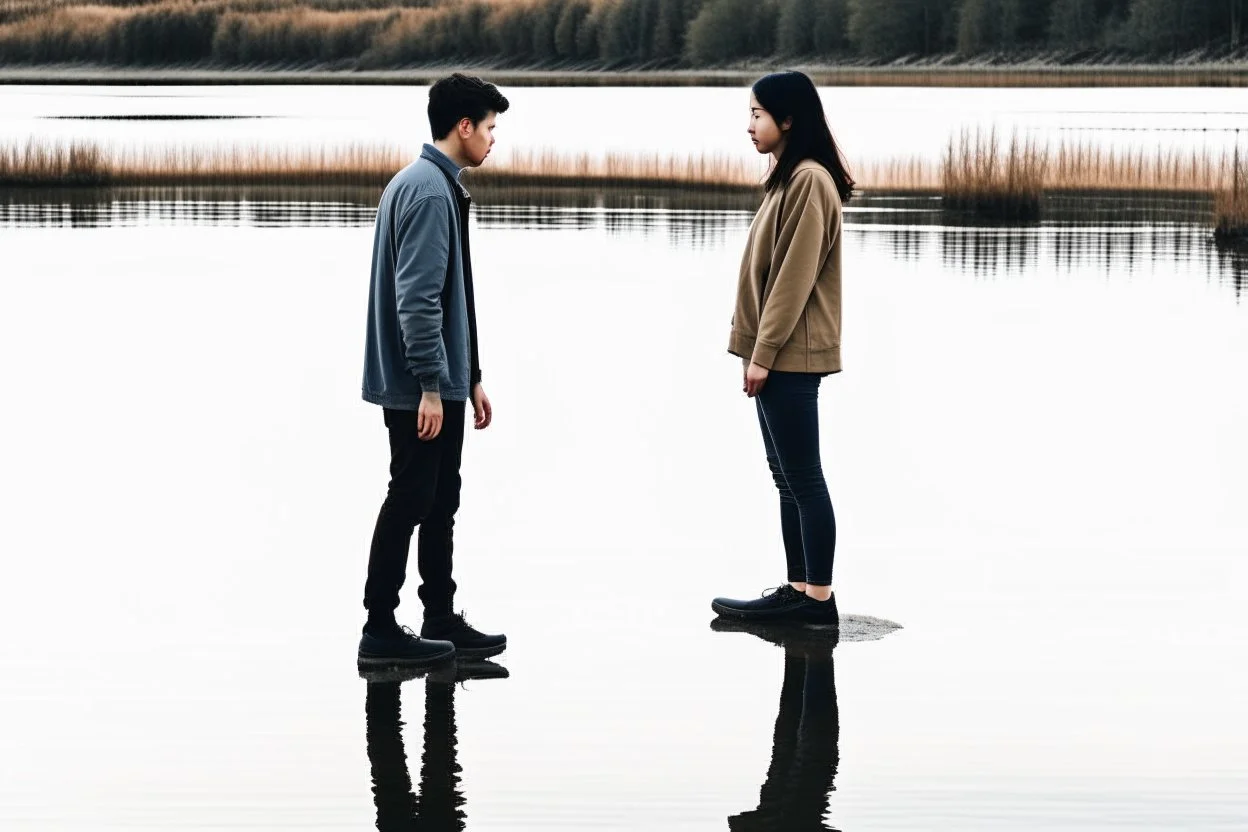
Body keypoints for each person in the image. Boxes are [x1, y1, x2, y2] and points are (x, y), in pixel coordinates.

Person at [359, 74, 510, 669]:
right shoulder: (426, 191)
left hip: (441, 380)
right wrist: (428, 384)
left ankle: (440, 618)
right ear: (463, 126)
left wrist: (468, 375)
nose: (495, 138)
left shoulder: (437, 185)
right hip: (417, 385)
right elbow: (417, 299)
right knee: (411, 496)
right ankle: (379, 627)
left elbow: (453, 296)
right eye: (491, 126)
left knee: (440, 498)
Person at [712, 71, 855, 631]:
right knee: (785, 476)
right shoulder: (787, 178)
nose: (749, 125)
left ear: (788, 119)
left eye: (757, 114)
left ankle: (818, 601)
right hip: (777, 354)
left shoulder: (810, 182)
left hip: (791, 356)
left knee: (804, 476)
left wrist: (764, 353)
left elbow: (793, 278)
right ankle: (798, 589)